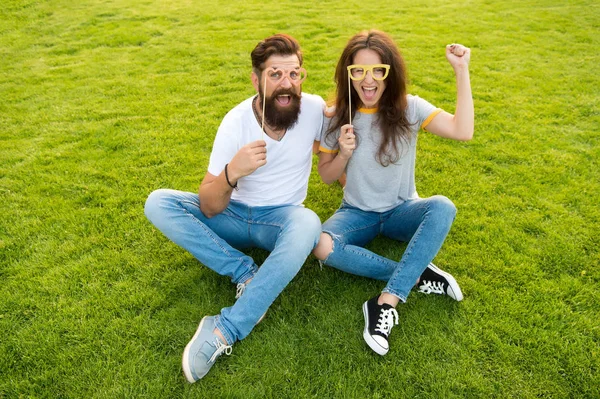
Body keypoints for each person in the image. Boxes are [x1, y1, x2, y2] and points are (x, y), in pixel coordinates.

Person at [144, 34, 325, 382]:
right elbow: (210, 206)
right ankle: (244, 271)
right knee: (159, 202)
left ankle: (225, 329)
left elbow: (358, 118)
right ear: (256, 79)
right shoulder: (236, 121)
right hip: (233, 215)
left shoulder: (314, 109)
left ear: (302, 76)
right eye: (275, 75)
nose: (286, 84)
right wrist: (232, 172)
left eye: (294, 74)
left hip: (280, 221)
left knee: (307, 223)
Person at [313, 30, 473, 356]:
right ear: (348, 73)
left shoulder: (409, 108)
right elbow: (326, 177)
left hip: (402, 211)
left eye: (377, 71)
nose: (367, 80)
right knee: (320, 245)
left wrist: (461, 70)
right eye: (358, 70)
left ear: (390, 72)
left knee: (442, 207)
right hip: (357, 213)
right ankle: (414, 273)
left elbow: (462, 130)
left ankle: (386, 301)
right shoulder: (336, 118)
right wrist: (342, 154)